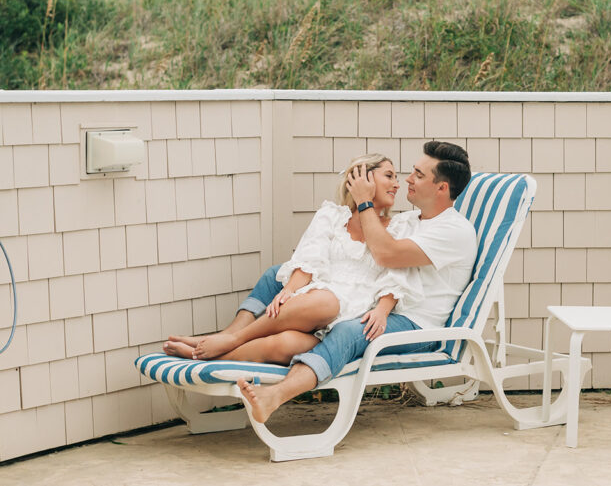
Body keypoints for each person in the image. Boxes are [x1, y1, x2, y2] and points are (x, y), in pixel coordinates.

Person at [235, 140, 478, 423]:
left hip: (414, 322)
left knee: (350, 332)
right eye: (412, 172)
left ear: (441, 188)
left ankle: (275, 395)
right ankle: (227, 339)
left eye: (419, 175)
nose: (408, 180)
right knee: (279, 274)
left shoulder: (453, 231)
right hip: (381, 305)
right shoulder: (414, 219)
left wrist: (364, 201)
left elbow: (386, 254)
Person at [163, 154, 422, 363]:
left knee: (285, 344)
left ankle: (219, 349)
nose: (397, 184)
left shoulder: (400, 226)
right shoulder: (331, 216)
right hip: (317, 302)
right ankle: (228, 340)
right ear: (361, 179)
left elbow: (397, 272)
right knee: (323, 301)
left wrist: (382, 310)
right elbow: (310, 259)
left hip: (355, 310)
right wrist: (288, 291)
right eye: (389, 175)